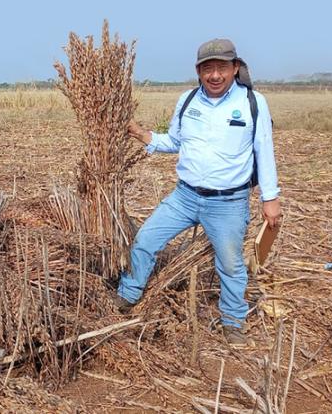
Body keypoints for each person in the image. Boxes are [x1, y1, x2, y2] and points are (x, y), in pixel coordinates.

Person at [117, 38, 281, 346]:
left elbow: (264, 151)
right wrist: (141, 134)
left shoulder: (251, 102)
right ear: (198, 71)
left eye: (222, 68)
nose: (215, 75)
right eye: (208, 69)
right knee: (145, 240)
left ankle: (233, 323)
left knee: (230, 266)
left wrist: (270, 199)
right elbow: (176, 141)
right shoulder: (188, 100)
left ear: (235, 68)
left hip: (228, 203)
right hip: (184, 197)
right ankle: (128, 294)